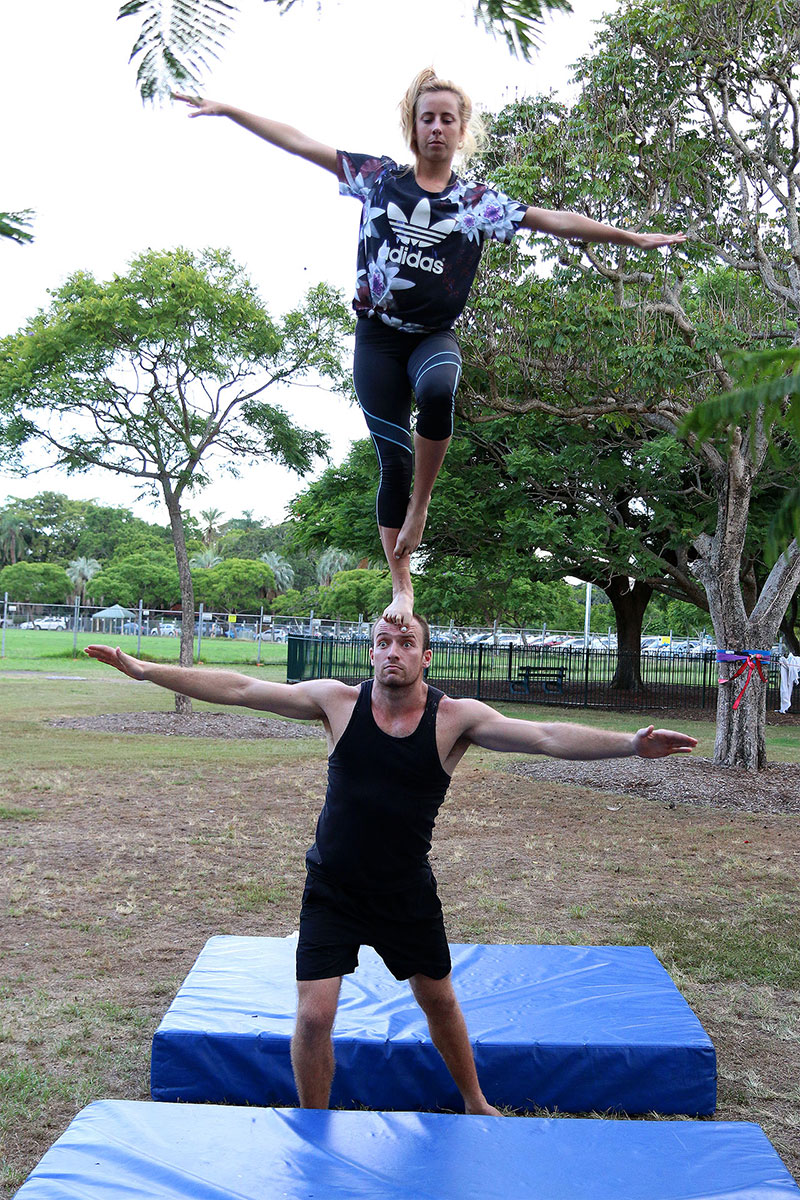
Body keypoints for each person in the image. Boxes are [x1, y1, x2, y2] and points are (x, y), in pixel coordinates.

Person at [85, 618, 696, 1115]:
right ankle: (314, 1121)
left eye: (406, 642)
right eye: (383, 641)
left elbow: (543, 735)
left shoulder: (456, 717)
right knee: (314, 1013)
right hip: (333, 886)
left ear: (426, 658)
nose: (392, 651)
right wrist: (143, 669)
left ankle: (475, 1101)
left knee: (439, 1001)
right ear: (371, 652)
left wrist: (631, 744)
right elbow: (242, 688)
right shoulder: (336, 702)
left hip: (405, 891)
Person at [173, 70, 686, 629]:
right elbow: (299, 142)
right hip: (377, 338)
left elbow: (556, 222)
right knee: (391, 460)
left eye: (447, 119)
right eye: (427, 118)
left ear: (462, 131)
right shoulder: (377, 180)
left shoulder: (477, 203)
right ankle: (402, 583)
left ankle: (420, 510)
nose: (437, 128)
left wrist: (631, 238)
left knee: (440, 390)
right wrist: (228, 109)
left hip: (432, 338)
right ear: (412, 129)